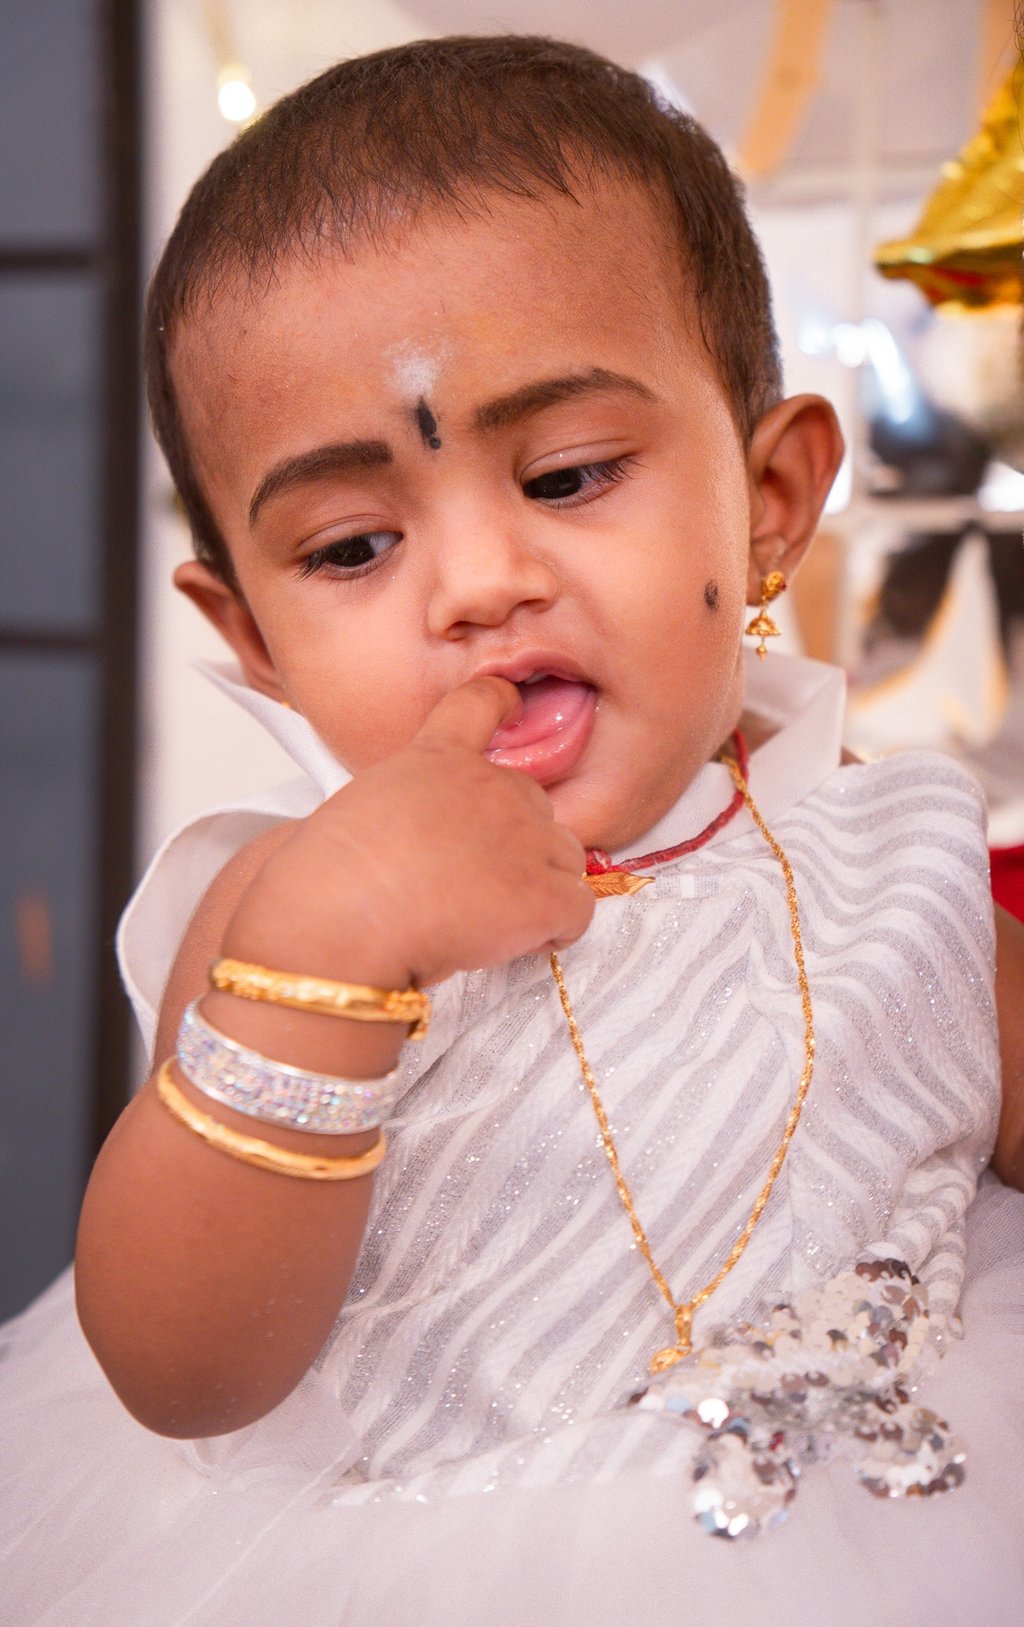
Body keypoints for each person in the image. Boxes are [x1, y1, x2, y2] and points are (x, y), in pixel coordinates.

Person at [3, 36, 1023, 1626]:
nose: (477, 582)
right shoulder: (280, 903)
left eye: (567, 472)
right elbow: (185, 1372)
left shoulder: (899, 865)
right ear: (253, 636)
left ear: (765, 501)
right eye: (349, 548)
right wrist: (326, 955)